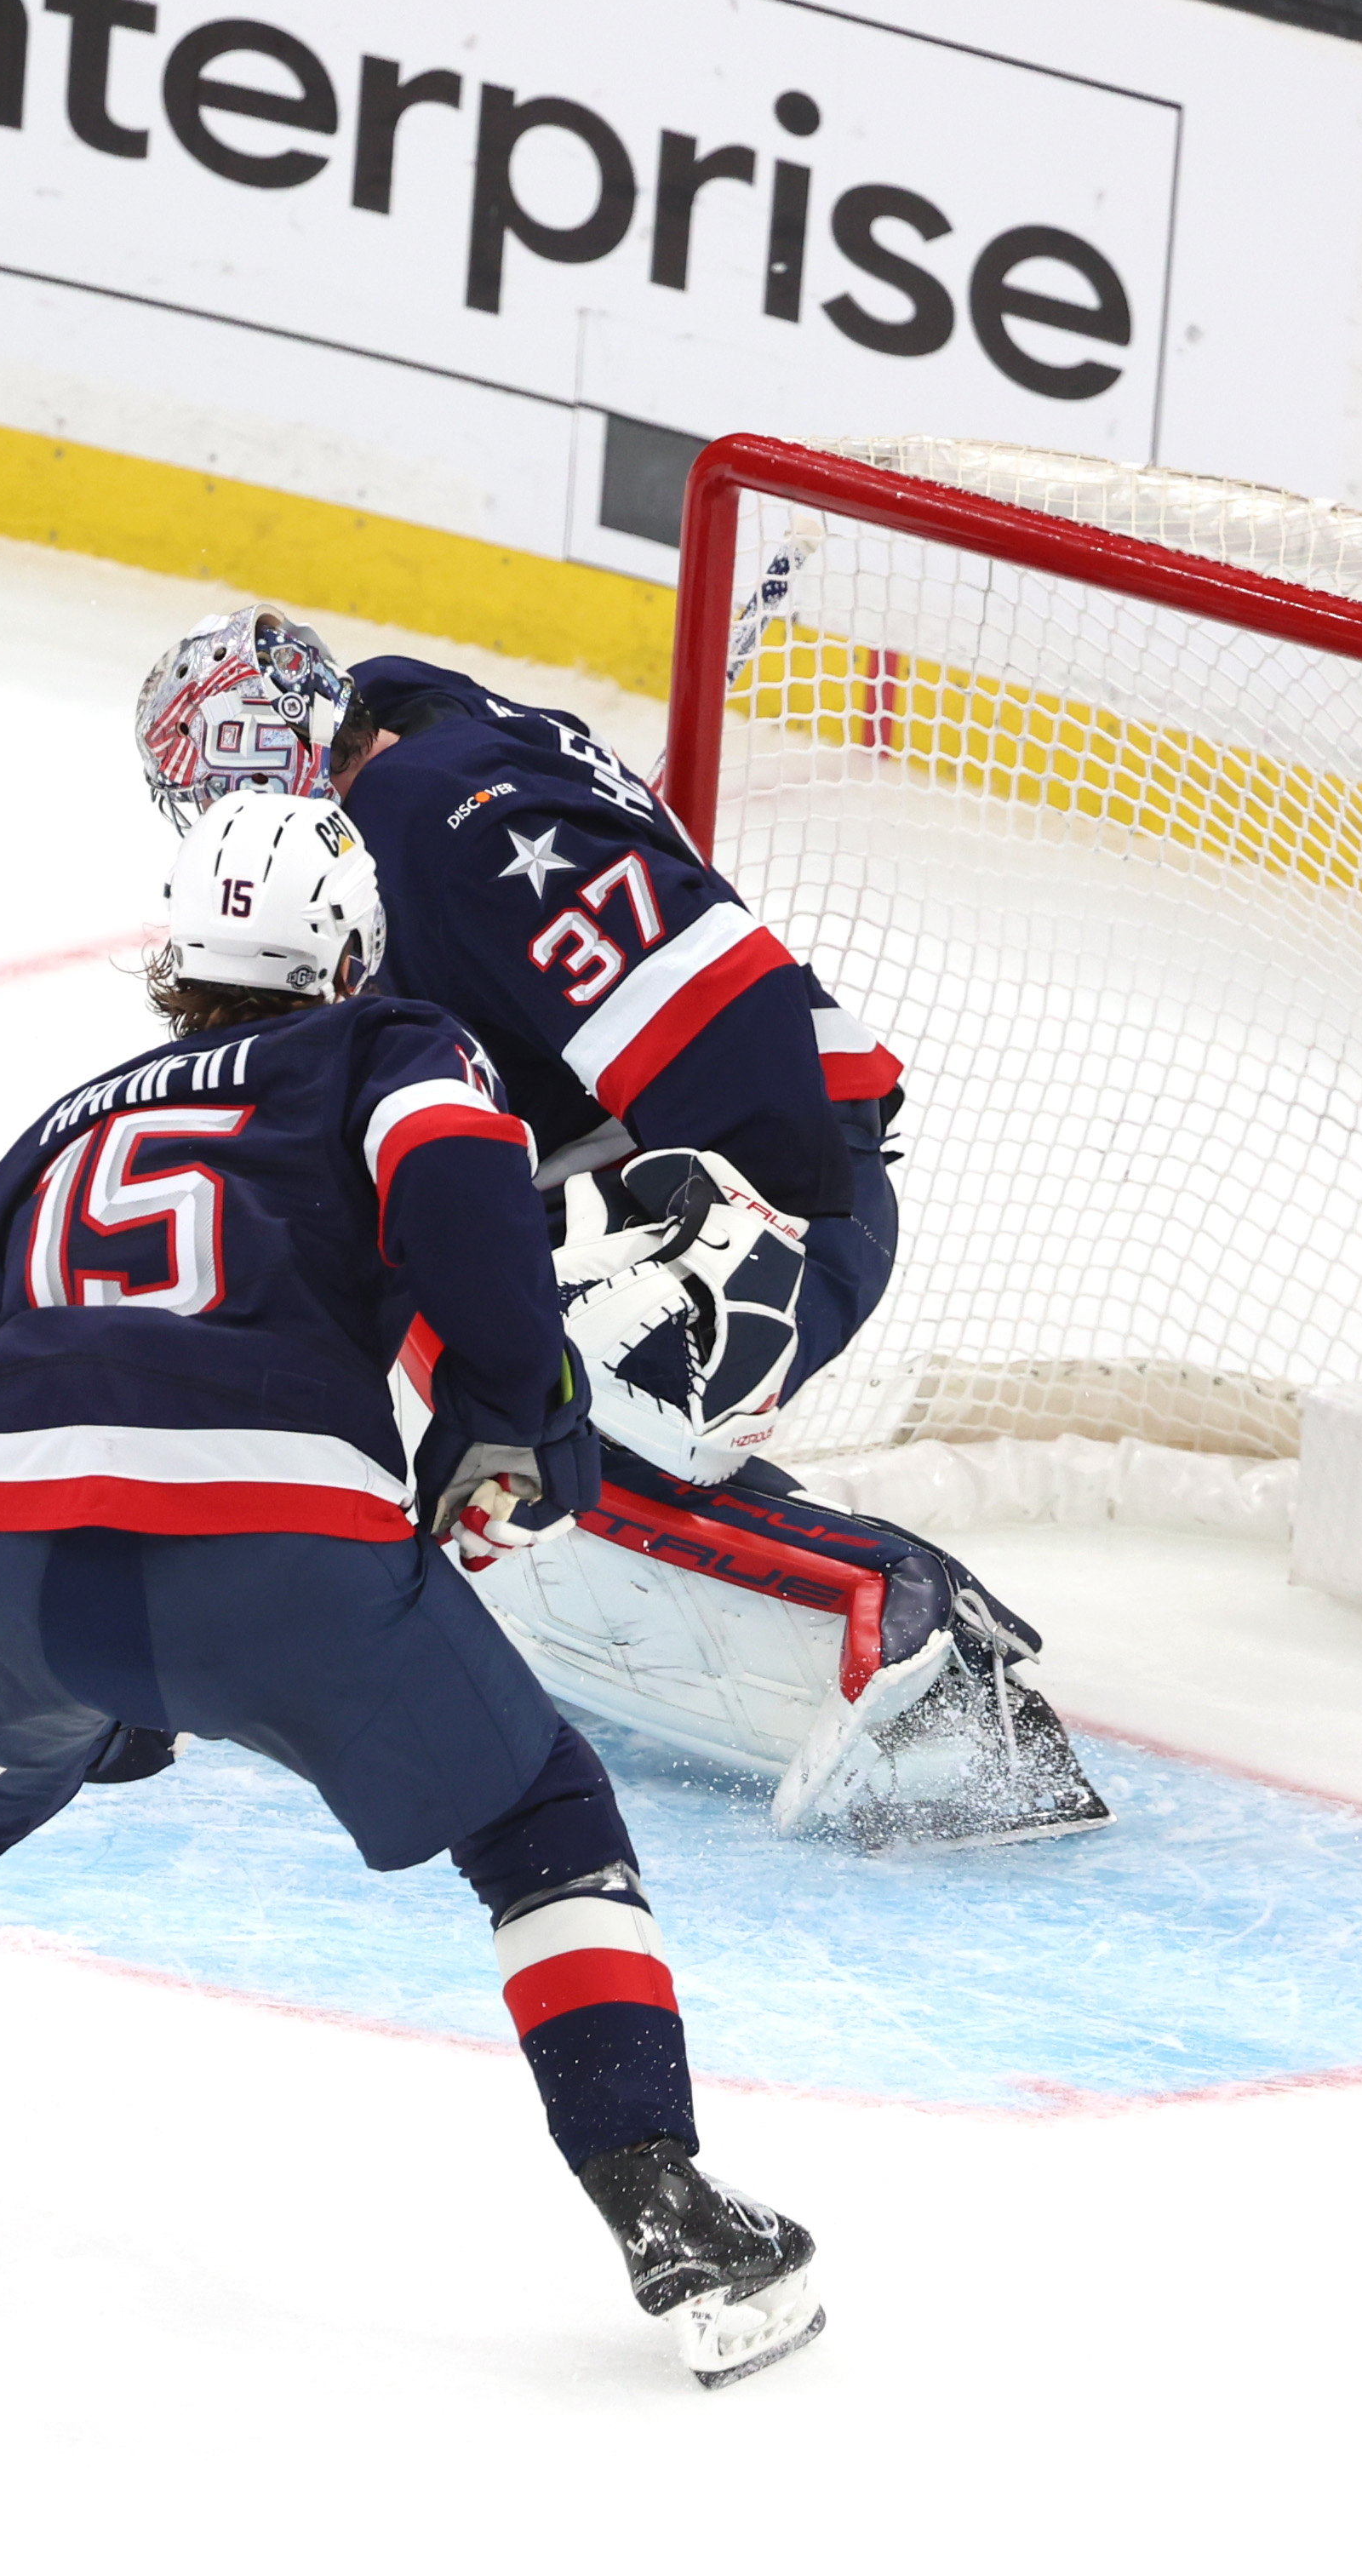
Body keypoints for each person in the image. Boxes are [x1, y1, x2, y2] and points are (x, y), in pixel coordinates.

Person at [0, 793, 825, 2388]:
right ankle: (671, 2215)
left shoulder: (62, 1124)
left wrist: (31, 1671)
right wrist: (527, 1408)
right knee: (537, 1820)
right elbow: (457, 1187)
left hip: (7, 1554)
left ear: (181, 959)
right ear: (354, 948)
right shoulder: (393, 1048)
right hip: (274, 1536)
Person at [128, 613, 1104, 1852]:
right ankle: (738, 1562)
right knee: (432, 1288)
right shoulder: (424, 745)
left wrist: (749, 1235)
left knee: (505, 1371)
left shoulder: (435, 817)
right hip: (687, 1175)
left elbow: (725, 1018)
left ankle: (904, 1614)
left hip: (774, 1192)